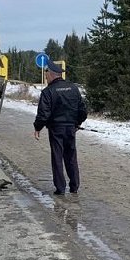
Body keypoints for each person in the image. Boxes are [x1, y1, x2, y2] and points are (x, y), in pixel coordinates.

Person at [34, 61, 87, 195]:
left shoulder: (48, 92)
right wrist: (77, 123)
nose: (45, 77)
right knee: (71, 157)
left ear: (51, 74)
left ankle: (60, 188)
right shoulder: (73, 88)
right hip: (71, 128)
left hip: (56, 129)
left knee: (57, 157)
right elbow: (82, 110)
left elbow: (43, 114)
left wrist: (37, 127)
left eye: (46, 75)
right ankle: (74, 186)